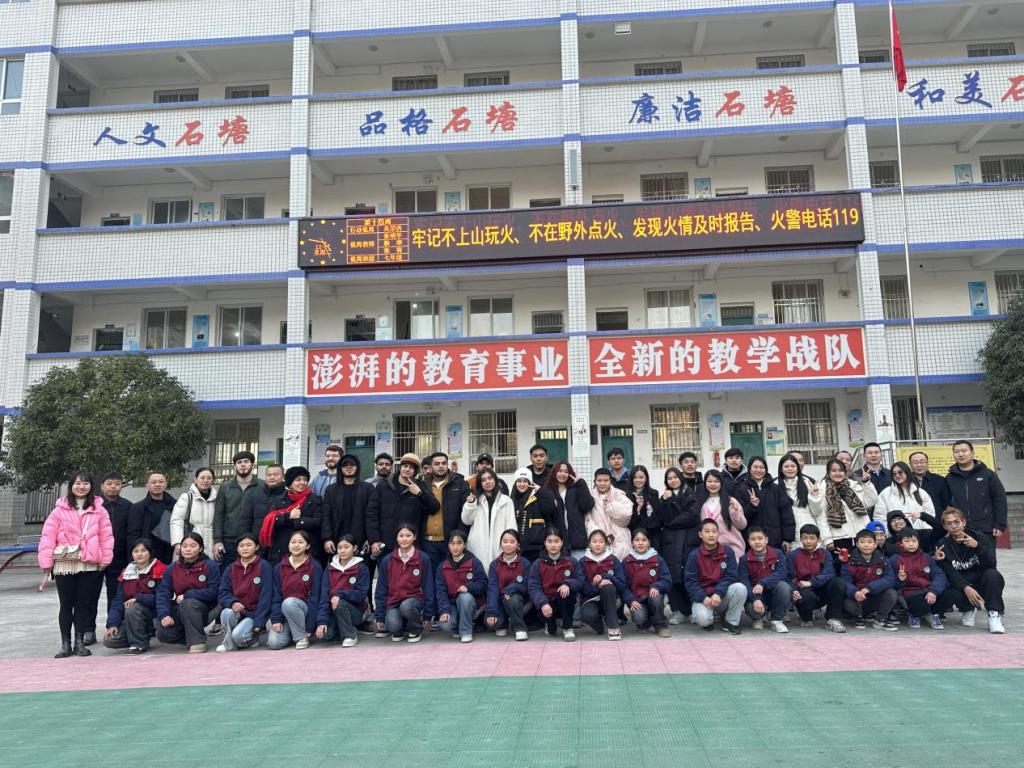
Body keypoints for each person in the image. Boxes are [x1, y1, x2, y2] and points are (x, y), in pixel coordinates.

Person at [38, 472, 114, 658]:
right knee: (66, 605)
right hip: (65, 563)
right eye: (78, 483)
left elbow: (106, 536)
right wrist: (46, 562)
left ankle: (79, 642)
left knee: (82, 605)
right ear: (71, 486)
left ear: (91, 486)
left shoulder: (99, 510)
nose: (81, 487)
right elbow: (48, 536)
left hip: (89, 562)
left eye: (85, 483)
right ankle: (65, 644)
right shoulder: (59, 510)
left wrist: (105, 559)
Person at [934, 506, 1006, 634]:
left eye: (957, 522)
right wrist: (965, 587)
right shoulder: (943, 544)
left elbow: (991, 564)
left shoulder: (979, 537)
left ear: (963, 522)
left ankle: (994, 614)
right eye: (949, 523)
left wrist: (978, 547)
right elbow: (949, 572)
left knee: (993, 575)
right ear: (945, 526)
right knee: (950, 593)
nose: (954, 526)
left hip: (980, 581)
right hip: (960, 584)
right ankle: (967, 608)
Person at [365, 453, 440, 562]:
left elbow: (434, 508)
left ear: (415, 471)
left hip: (410, 544)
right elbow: (372, 514)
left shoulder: (421, 486)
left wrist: (420, 493)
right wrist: (374, 539)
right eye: (405, 466)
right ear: (400, 467)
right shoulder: (384, 486)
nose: (407, 469)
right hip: (386, 544)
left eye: (411, 467)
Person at [155, 532, 220, 653]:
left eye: (193, 546)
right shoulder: (172, 568)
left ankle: (197, 641)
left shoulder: (210, 565)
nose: (188, 549)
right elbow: (163, 593)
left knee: (188, 603)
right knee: (163, 634)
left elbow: (214, 592)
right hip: (181, 609)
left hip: (206, 609)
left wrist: (187, 595)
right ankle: (189, 637)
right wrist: (164, 614)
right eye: (184, 546)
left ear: (200, 548)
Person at [373, 523, 436, 643]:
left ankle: (415, 629)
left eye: (408, 535)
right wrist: (379, 616)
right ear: (397, 538)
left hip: (414, 600)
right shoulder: (387, 560)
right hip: (394, 602)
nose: (404, 539)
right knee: (392, 625)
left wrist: (428, 615)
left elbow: (428, 587)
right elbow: (381, 589)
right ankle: (402, 628)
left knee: (407, 606)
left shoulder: (423, 558)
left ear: (414, 537)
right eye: (401, 536)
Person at [103, 538, 166, 654]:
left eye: (143, 550)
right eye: (135, 551)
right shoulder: (127, 572)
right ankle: (138, 635)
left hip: (156, 616)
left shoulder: (160, 570)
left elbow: (163, 598)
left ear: (150, 552)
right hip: (133, 617)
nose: (139, 554)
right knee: (110, 640)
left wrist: (138, 598)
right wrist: (112, 624)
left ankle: (139, 644)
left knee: (133, 607)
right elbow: (118, 600)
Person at [684, 519, 746, 634]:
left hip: (721, 595)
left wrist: (718, 593)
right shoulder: (694, 555)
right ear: (700, 534)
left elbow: (731, 576)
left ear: (718, 533)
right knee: (703, 620)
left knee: (740, 588)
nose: (711, 535)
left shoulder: (727, 551)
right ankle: (710, 619)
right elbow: (690, 582)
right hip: (704, 598)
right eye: (707, 531)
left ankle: (730, 622)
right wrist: (703, 597)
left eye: (714, 531)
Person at [656, 467, 700, 625]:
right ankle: (678, 610)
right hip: (671, 541)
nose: (673, 480)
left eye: (675, 477)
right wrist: (665, 501)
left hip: (688, 540)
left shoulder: (690, 493)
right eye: (669, 478)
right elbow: (663, 517)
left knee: (689, 575)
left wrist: (672, 523)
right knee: (672, 575)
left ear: (681, 478)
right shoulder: (665, 496)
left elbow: (692, 515)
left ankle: (692, 609)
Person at [215, 532, 272, 652]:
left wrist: (259, 622)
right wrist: (232, 602)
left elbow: (266, 597)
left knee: (238, 636)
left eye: (249, 545)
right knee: (226, 612)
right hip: (238, 611)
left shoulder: (264, 566)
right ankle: (229, 644)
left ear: (256, 547)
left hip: (254, 614)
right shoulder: (231, 568)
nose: (245, 548)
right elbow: (223, 593)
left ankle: (252, 639)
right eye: (241, 546)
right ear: (237, 548)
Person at [267, 530, 323, 650]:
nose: (296, 545)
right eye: (293, 542)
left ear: (307, 546)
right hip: (285, 612)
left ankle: (301, 637)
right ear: (288, 544)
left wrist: (311, 626)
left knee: (289, 603)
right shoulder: (279, 567)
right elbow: (276, 596)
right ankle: (295, 633)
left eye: (300, 542)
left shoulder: (315, 566)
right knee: (274, 643)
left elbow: (315, 597)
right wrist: (276, 619)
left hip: (305, 611)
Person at [786, 524, 847, 632]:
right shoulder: (793, 555)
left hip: (820, 589)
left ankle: (833, 619)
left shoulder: (825, 554)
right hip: (803, 590)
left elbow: (829, 573)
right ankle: (806, 616)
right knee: (806, 599)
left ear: (818, 539)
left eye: (812, 538)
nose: (808, 541)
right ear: (800, 539)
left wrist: (811, 582)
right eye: (805, 538)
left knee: (837, 582)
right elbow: (788, 576)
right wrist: (793, 590)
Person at [528, 527, 583, 641]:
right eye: (550, 541)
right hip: (547, 602)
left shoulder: (571, 561)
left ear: (562, 542)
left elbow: (580, 580)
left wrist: (567, 584)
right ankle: (549, 625)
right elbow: (533, 587)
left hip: (564, 600)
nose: (553, 545)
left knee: (566, 594)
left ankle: (567, 627)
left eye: (556, 541)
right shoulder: (538, 564)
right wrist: (543, 603)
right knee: (551, 632)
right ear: (545, 543)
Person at [316, 534, 371, 647]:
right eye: (340, 547)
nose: (342, 550)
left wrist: (340, 594)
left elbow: (361, 595)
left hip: (356, 611)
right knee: (327, 635)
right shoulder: (330, 569)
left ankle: (350, 635)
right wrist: (322, 621)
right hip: (334, 611)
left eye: (346, 547)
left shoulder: (362, 568)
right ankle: (343, 628)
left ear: (354, 548)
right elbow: (324, 597)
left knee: (340, 603)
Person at [263, 466, 324, 566]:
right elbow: (271, 520)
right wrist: (288, 516)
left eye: (305, 479)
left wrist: (297, 521)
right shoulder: (280, 499)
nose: (302, 482)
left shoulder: (315, 499)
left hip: (307, 550)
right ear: (290, 483)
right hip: (282, 550)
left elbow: (318, 521)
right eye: (298, 480)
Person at [213, 450, 264, 570]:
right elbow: (219, 514)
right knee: (229, 573)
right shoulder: (225, 487)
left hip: (255, 541)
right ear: (234, 466)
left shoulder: (263, 486)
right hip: (230, 541)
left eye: (246, 461)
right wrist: (217, 540)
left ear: (252, 465)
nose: (243, 465)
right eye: (239, 462)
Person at [945, 440, 1008, 538]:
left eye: (964, 451)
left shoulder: (987, 474)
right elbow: (947, 504)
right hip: (960, 529)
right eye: (956, 452)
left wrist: (999, 524)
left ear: (972, 453)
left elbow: (999, 499)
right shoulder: (949, 478)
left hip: (985, 528)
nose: (960, 454)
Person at [841, 528, 899, 631]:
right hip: (857, 598)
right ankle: (858, 617)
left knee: (892, 593)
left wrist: (869, 588)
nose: (866, 545)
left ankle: (880, 619)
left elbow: (889, 579)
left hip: (874, 595)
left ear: (875, 544)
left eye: (869, 542)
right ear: (857, 544)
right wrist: (855, 592)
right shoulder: (849, 561)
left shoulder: (883, 559)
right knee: (845, 601)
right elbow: (846, 581)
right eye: (862, 542)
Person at [889, 528, 947, 630]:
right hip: (910, 592)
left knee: (949, 595)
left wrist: (933, 590)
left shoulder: (926, 557)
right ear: (900, 543)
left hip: (928, 589)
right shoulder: (895, 559)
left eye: (914, 541)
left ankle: (932, 614)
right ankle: (915, 614)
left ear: (918, 542)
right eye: (907, 541)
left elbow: (939, 574)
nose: (911, 544)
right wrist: (900, 580)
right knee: (920, 605)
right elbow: (889, 581)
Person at [435, 529, 487, 643]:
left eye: (459, 543)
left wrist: (468, 587)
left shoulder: (474, 562)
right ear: (448, 545)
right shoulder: (442, 566)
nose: (455, 547)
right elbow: (441, 592)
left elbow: (483, 583)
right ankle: (457, 627)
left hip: (473, 604)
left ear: (465, 545)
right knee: (445, 625)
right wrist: (444, 611)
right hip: (452, 604)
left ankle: (466, 631)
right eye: (452, 543)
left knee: (465, 597)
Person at [738, 526, 791, 633]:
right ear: (748, 542)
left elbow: (782, 573)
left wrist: (763, 583)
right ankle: (759, 618)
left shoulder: (778, 554)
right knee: (750, 607)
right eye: (753, 539)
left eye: (760, 538)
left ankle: (777, 620)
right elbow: (744, 582)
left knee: (784, 587)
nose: (757, 542)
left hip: (773, 593)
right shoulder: (744, 560)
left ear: (766, 540)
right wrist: (755, 599)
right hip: (755, 595)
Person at [422, 452, 470, 567]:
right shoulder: (423, 485)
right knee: (431, 575)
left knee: (451, 574)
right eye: (437, 464)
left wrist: (460, 537)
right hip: (428, 542)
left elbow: (465, 513)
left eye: (444, 463)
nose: (441, 466)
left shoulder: (460, 484)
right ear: (431, 467)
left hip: (451, 542)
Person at [622, 528, 672, 637]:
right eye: (637, 540)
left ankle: (661, 625)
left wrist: (657, 586)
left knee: (656, 597)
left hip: (653, 596)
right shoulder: (627, 561)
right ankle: (645, 623)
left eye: (644, 540)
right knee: (639, 617)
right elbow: (623, 585)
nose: (640, 543)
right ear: (632, 543)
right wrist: (630, 600)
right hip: (637, 599)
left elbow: (667, 580)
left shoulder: (657, 559)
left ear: (649, 542)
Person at [578, 529, 626, 640]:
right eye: (594, 541)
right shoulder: (583, 561)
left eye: (601, 541)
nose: (598, 544)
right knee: (587, 615)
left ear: (606, 543)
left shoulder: (613, 560)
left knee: (607, 587)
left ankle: (613, 626)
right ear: (589, 544)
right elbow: (582, 587)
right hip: (591, 599)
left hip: (612, 599)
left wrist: (607, 577)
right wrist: (597, 586)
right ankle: (599, 626)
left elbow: (622, 584)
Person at [462, 467, 517, 564]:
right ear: (480, 483)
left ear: (495, 480)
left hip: (500, 545)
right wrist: (470, 504)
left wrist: (510, 543)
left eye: (490, 478)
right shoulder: (475, 500)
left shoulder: (506, 501)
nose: (487, 482)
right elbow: (466, 521)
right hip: (478, 545)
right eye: (483, 480)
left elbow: (511, 525)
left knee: (498, 571)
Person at [822, 458, 874, 558]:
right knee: (843, 565)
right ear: (828, 473)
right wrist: (828, 539)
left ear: (845, 472)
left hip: (861, 535)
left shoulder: (853, 486)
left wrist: (866, 483)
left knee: (862, 565)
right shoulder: (823, 490)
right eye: (834, 470)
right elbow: (822, 517)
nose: (837, 473)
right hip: (839, 537)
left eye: (840, 470)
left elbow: (871, 501)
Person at [740, 456, 794, 551]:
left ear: (766, 470)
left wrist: (787, 538)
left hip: (774, 539)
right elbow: (740, 518)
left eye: (762, 467)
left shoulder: (776, 489)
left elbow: (786, 514)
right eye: (755, 467)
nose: (758, 470)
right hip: (752, 540)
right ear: (749, 469)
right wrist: (752, 506)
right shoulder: (742, 489)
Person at [98, 471, 133, 621]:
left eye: (117, 484)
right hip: (96, 557)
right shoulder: (94, 505)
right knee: (90, 594)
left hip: (119, 558)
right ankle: (88, 629)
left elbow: (131, 533)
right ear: (102, 486)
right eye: (109, 483)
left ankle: (114, 625)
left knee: (116, 595)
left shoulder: (128, 506)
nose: (113, 487)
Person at [485, 529, 531, 641]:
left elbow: (527, 585)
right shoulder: (494, 564)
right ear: (500, 544)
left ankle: (519, 628)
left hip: (520, 601)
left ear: (518, 545)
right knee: (492, 624)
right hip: (500, 600)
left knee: (512, 599)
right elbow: (493, 588)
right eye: (505, 541)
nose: (508, 545)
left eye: (512, 542)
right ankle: (503, 623)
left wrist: (509, 590)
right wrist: (492, 612)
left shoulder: (525, 563)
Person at [322, 454, 371, 556]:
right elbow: (326, 516)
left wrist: (370, 539)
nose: (349, 467)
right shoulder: (331, 490)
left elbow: (371, 516)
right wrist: (327, 538)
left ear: (357, 467)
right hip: (336, 542)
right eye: (345, 465)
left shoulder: (368, 489)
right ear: (340, 468)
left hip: (361, 542)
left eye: (352, 464)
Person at [544, 461, 595, 557]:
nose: (562, 474)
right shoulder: (548, 490)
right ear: (554, 472)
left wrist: (581, 483)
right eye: (560, 471)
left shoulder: (575, 488)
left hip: (577, 540)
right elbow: (546, 514)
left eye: (566, 472)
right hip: (557, 542)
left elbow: (587, 506)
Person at [695, 470, 747, 560]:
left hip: (732, 550)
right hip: (709, 550)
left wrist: (735, 512)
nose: (713, 484)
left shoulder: (730, 501)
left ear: (721, 483)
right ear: (705, 483)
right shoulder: (700, 503)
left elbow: (742, 526)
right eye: (709, 481)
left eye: (716, 481)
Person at [126, 472, 176, 564]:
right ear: (147, 485)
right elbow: (133, 534)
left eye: (161, 482)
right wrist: (135, 556)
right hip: (147, 553)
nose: (157, 484)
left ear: (166, 484)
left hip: (169, 551)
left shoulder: (175, 505)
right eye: (153, 482)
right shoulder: (138, 507)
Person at [777, 453, 826, 546]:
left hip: (809, 529)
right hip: (788, 533)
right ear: (781, 469)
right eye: (786, 466)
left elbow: (817, 512)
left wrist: (815, 496)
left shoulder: (807, 483)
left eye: (793, 466)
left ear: (797, 468)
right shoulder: (775, 486)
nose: (790, 469)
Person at [510, 468, 557, 562]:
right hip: (517, 548)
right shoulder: (511, 499)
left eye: (525, 481)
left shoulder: (538, 497)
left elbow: (551, 507)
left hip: (536, 548)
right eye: (519, 481)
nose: (522, 484)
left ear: (530, 483)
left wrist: (540, 490)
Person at [874, 460, 937, 530]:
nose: (897, 475)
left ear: (907, 473)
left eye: (900, 472)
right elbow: (879, 517)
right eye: (894, 474)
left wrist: (924, 530)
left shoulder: (921, 493)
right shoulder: (885, 493)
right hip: (895, 535)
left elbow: (930, 514)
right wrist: (890, 532)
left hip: (920, 533)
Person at [239, 464, 287, 554]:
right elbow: (245, 520)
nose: (272, 477)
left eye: (276, 475)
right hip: (257, 545)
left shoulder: (288, 496)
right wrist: (247, 541)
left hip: (280, 546)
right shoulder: (254, 495)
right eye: (269, 475)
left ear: (283, 477)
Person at [170, 467, 218, 554]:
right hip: (190, 542)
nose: (206, 481)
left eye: (209, 478)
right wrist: (178, 542)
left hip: (211, 543)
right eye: (202, 478)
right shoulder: (187, 497)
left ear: (213, 480)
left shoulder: (216, 499)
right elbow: (177, 520)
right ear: (195, 479)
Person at [588, 468, 633, 559]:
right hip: (599, 543)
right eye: (599, 480)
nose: (602, 483)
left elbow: (626, 517)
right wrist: (600, 536)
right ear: (595, 481)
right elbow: (588, 520)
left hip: (620, 542)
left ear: (610, 481)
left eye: (606, 480)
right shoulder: (589, 497)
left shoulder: (619, 495)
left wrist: (610, 506)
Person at [626, 465, 660, 542]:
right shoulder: (626, 495)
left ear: (646, 478)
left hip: (650, 533)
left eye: (641, 477)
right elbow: (627, 519)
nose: (638, 480)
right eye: (635, 477)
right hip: (632, 534)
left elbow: (656, 516)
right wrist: (638, 509)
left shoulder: (654, 493)